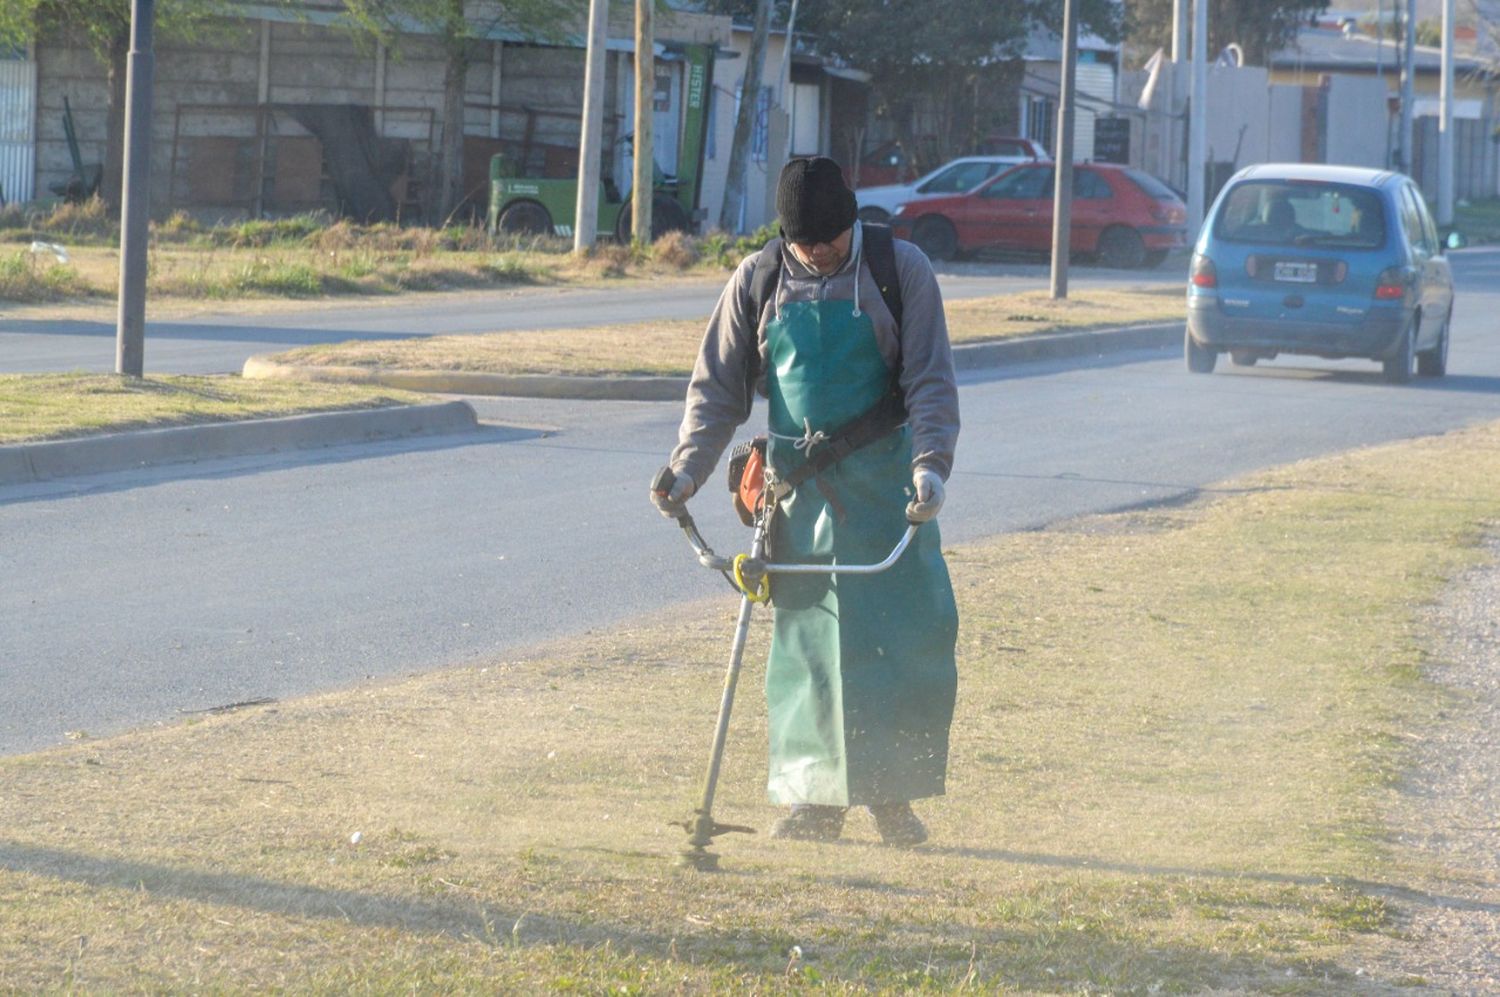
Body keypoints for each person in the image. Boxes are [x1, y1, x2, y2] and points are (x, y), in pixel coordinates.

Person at [650, 156, 960, 847]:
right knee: (808, 653)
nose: (820, 253)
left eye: (831, 240)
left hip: (887, 496)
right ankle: (814, 801)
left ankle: (893, 799)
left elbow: (932, 385)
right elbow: (717, 394)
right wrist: (686, 471)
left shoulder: (899, 271)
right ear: (787, 236)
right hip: (795, 501)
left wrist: (931, 470)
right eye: (806, 244)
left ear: (852, 221)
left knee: (899, 643)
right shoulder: (758, 281)